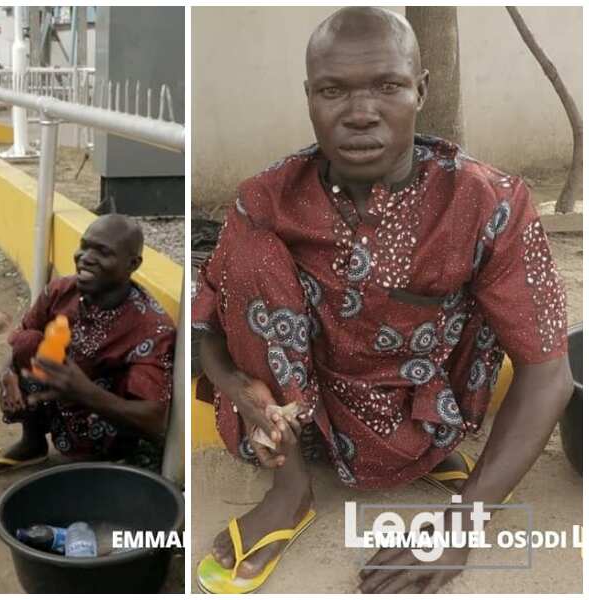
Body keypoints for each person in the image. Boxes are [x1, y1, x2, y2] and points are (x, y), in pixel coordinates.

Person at [192, 8, 574, 594]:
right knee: (251, 256)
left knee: (495, 268)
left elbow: (549, 373)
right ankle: (291, 492)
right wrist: (241, 391)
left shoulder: (488, 200)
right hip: (303, 428)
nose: (360, 112)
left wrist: (460, 527)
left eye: (388, 86)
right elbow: (207, 329)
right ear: (309, 97)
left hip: (425, 425)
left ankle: (422, 461)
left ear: (421, 89)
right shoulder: (265, 198)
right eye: (333, 90)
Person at [0, 215, 176, 477]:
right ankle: (32, 445)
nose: (85, 257)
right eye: (84, 246)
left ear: (132, 264)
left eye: (102, 252)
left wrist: (84, 391)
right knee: (28, 344)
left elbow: (155, 420)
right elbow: (21, 337)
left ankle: (96, 466)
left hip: (108, 429)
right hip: (61, 399)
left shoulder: (151, 328)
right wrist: (6, 375)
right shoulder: (60, 291)